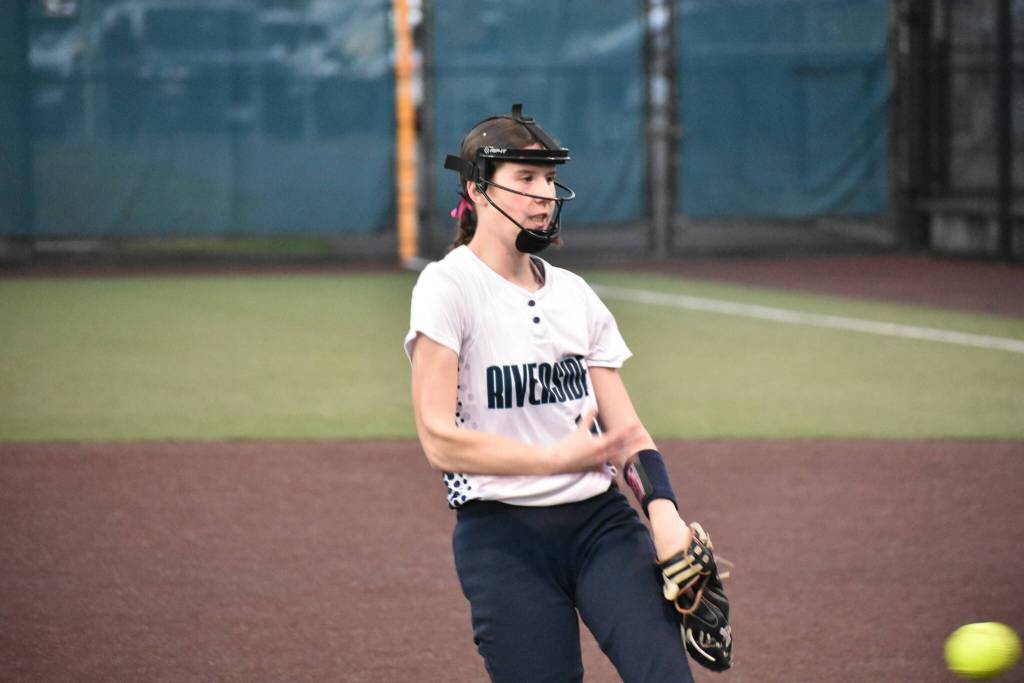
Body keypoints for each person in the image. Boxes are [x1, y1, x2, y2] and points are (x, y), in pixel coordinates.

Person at [404, 104, 729, 682]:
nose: (544, 194)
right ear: (478, 190)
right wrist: (553, 458)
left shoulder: (576, 295)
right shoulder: (448, 286)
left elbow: (627, 432)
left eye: (550, 179)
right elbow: (438, 441)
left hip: (602, 526)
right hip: (503, 537)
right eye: (526, 178)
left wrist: (664, 514)